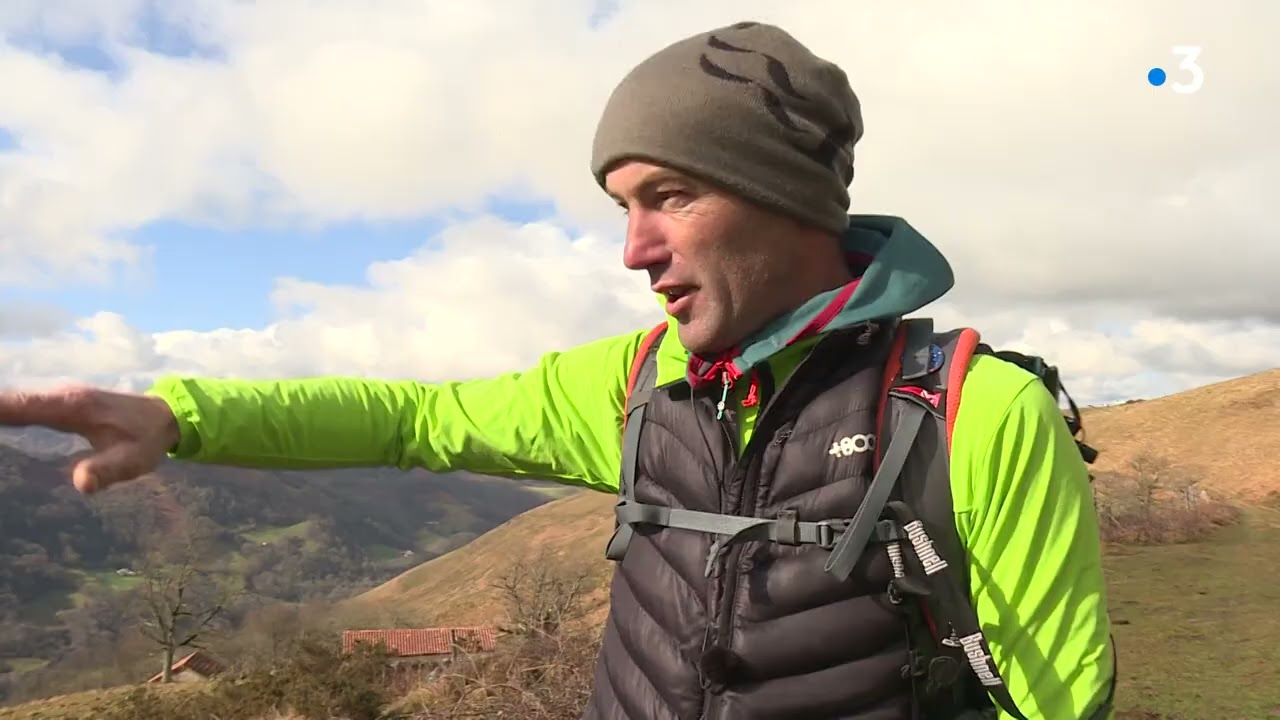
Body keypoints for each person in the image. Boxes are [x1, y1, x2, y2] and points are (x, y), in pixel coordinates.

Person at [0, 21, 1115, 720]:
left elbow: (1058, 701)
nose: (631, 250)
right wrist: (175, 414)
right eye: (620, 206)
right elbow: (413, 420)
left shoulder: (975, 412)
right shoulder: (629, 387)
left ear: (787, 198)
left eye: (669, 196)